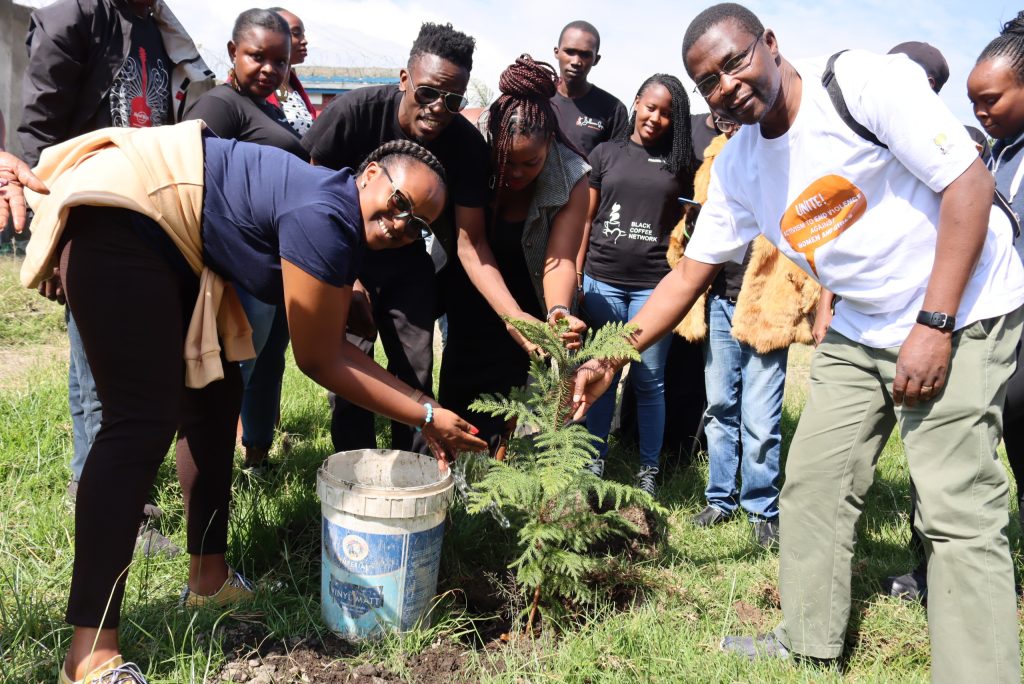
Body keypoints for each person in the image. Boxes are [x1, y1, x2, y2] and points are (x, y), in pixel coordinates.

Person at [571, 4, 1024, 680]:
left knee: (954, 508)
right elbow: (690, 273)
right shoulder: (741, 165)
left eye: (736, 61)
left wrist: (933, 325)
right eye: (709, 81)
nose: (727, 85)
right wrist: (613, 353)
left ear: (772, 44)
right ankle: (808, 637)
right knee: (812, 484)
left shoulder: (862, 85)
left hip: (959, 309)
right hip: (863, 325)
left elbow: (969, 184)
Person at [15, 122, 486, 684]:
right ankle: (89, 655)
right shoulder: (328, 213)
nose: (399, 226)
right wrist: (426, 413)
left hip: (171, 239)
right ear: (369, 175)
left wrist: (417, 404)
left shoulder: (334, 210)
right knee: (139, 422)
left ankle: (208, 580)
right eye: (399, 203)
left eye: (418, 227)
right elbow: (321, 360)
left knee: (215, 398)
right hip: (123, 215)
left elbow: (328, 338)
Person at [18, 0, 214, 557]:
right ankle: (120, 513)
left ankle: (102, 493)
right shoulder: (75, 17)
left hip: (153, 226)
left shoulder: (163, 29)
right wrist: (54, 238)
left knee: (115, 374)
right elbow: (40, 130)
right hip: (95, 222)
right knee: (109, 383)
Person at [304, 23, 551, 455]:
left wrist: (514, 317)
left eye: (453, 101)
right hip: (344, 255)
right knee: (349, 372)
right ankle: (354, 474)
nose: (438, 108)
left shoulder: (466, 147)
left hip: (406, 260)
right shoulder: (354, 113)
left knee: (416, 373)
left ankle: (413, 474)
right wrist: (347, 282)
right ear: (405, 79)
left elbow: (469, 243)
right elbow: (311, 201)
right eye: (428, 93)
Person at [673, 118, 817, 546]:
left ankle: (762, 508)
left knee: (761, 415)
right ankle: (720, 499)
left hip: (768, 308)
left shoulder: (789, 158)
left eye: (737, 117)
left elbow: (809, 232)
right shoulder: (716, 156)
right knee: (719, 406)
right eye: (722, 119)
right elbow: (696, 226)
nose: (729, 124)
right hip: (719, 299)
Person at [439, 55, 588, 451]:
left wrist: (555, 312)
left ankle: (496, 466)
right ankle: (452, 465)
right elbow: (470, 242)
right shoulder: (476, 148)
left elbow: (563, 257)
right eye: (508, 162)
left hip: (527, 290)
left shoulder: (571, 175)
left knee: (507, 389)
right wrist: (509, 316)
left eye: (530, 163)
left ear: (550, 145)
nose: (516, 173)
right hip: (471, 280)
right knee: (459, 378)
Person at [186, 8, 306, 471]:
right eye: (257, 57)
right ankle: (208, 469)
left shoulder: (268, 107)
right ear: (234, 53)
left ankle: (255, 454)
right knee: (238, 367)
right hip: (242, 265)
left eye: (281, 61)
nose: (269, 69)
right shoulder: (220, 105)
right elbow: (190, 173)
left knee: (268, 363)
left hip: (276, 264)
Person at [574, 74, 694, 497]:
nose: (656, 118)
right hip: (601, 282)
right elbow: (585, 220)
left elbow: (689, 226)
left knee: (649, 381)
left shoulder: (682, 165)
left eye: (667, 113)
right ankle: (594, 464)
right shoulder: (606, 153)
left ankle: (647, 470)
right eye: (651, 107)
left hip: (653, 288)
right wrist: (575, 273)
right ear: (637, 102)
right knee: (600, 374)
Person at [549, 20, 628, 157]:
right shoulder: (538, 98)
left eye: (585, 55)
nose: (576, 62)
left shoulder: (613, 109)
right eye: (570, 52)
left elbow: (616, 167)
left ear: (596, 60)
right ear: (557, 52)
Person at [267, 7, 317, 137]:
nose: (305, 41)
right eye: (295, 33)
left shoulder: (295, 89)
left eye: (303, 34)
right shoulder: (255, 91)